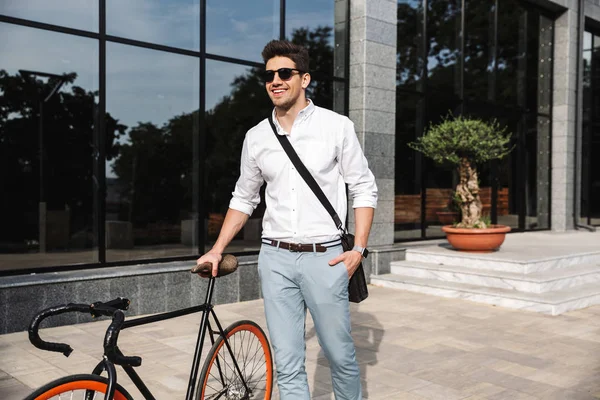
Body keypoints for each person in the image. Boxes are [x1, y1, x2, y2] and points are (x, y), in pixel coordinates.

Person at [195, 39, 378, 400]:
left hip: (325, 258)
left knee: (340, 355)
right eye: (268, 76)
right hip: (275, 258)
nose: (275, 81)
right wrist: (216, 249)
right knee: (288, 361)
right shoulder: (257, 136)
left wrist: (358, 249)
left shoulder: (336, 127)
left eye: (284, 73)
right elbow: (243, 199)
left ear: (304, 78)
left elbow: (364, 188)